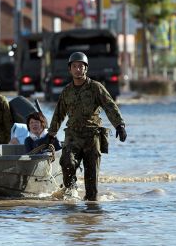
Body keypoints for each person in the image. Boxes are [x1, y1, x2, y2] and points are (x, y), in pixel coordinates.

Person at [48, 52, 127, 201]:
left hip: (92, 136)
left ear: (86, 69)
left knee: (92, 188)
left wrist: (119, 125)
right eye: (75, 66)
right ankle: (71, 192)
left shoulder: (96, 88)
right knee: (66, 162)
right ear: (70, 69)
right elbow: (59, 113)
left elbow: (109, 106)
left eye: (81, 67)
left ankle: (90, 218)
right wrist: (51, 134)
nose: (78, 69)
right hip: (72, 135)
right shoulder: (67, 91)